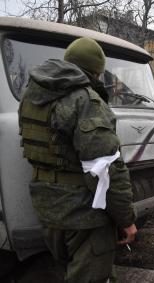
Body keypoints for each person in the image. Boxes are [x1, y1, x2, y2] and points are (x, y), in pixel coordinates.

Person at [18, 37, 137, 283]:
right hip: (83, 214)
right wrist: (126, 219)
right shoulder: (86, 100)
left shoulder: (31, 96)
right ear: (95, 70)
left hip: (48, 209)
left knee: (67, 270)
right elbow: (107, 169)